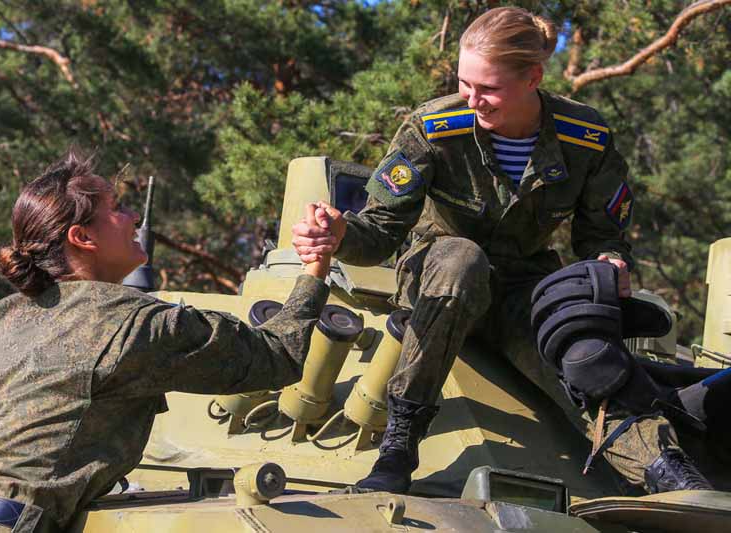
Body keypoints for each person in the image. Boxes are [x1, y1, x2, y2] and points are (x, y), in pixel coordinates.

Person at [292, 6, 712, 495]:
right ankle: (400, 444)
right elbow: (382, 231)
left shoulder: (585, 140)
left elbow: (603, 235)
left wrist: (610, 262)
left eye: (487, 89)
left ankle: (668, 476)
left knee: (582, 354)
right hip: (437, 278)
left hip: (522, 289)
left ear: (533, 77)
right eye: (465, 83)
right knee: (461, 260)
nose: (473, 99)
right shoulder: (433, 129)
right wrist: (340, 235)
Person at [0, 149, 344, 532]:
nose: (133, 220)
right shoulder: (137, 323)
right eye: (117, 209)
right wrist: (315, 268)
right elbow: (276, 355)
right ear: (82, 238)